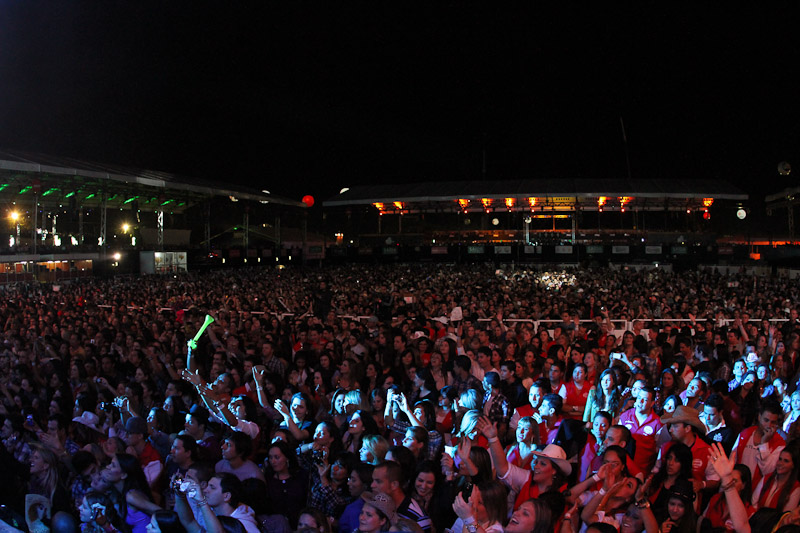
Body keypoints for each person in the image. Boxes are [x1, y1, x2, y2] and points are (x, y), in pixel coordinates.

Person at [478, 416, 570, 510]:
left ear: (554, 471)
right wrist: (493, 439)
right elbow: (503, 469)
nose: (536, 466)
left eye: (543, 464)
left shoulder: (562, 495)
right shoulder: (527, 478)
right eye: (536, 461)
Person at [730, 401, 785, 483]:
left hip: (758, 491)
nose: (769, 426)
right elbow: (732, 461)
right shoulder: (745, 434)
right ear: (759, 417)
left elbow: (767, 471)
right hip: (738, 486)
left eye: (773, 422)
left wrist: (764, 444)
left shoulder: (779, 444)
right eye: (766, 420)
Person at [370, 461, 432, 533]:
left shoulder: (418, 519)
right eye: (373, 480)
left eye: (378, 481)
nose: (372, 485)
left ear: (394, 485)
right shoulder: (377, 505)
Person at [263, 440, 309, 529]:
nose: (273, 461)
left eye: (276, 457)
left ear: (287, 458)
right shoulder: (268, 478)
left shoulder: (301, 476)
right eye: (270, 457)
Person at [619, 386, 663, 473]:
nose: (640, 401)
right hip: (622, 468)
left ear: (652, 403)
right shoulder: (625, 416)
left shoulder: (658, 423)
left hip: (643, 471)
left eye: (645, 399)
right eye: (639, 398)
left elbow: (660, 449)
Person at [339, 464, 373, 533]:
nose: (348, 483)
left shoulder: (355, 509)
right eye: (349, 479)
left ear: (365, 485)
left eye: (353, 480)